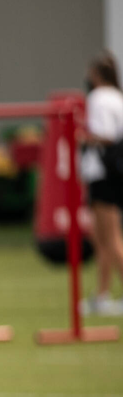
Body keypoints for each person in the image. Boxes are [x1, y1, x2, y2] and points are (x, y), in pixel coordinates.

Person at [81, 52, 123, 316]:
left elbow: (106, 135)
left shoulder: (99, 98)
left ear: (97, 75)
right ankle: (102, 295)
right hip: (112, 174)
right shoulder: (118, 97)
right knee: (101, 238)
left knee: (110, 237)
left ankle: (103, 294)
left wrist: (82, 138)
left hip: (104, 174)